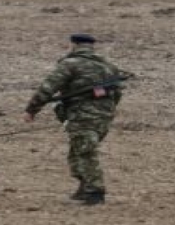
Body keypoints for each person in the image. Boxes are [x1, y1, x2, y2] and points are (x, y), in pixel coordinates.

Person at [22, 34, 133, 205]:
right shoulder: (109, 66)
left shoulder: (70, 64)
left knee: (86, 152)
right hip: (104, 116)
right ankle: (84, 187)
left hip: (82, 115)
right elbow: (117, 93)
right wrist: (105, 111)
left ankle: (95, 191)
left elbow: (48, 87)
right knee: (77, 151)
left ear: (73, 46)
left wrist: (32, 110)